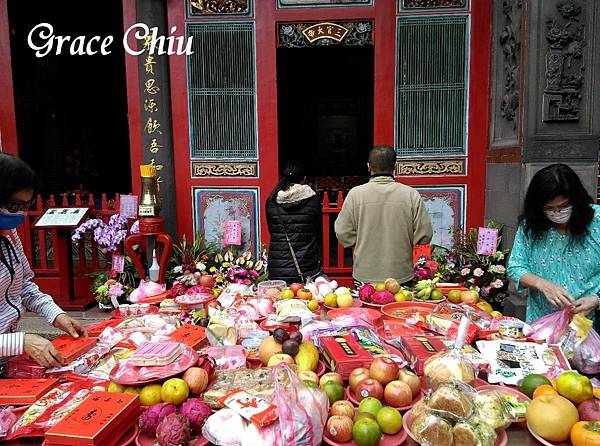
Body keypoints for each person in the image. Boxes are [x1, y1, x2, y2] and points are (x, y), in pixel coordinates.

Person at [0, 153, 87, 369]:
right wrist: (22, 342)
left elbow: (24, 286)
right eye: (13, 206)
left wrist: (56, 314)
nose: (20, 214)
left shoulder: (8, 234)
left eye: (25, 205)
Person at [507, 163, 600, 322]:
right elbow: (515, 267)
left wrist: (596, 300)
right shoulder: (531, 226)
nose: (557, 213)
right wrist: (542, 285)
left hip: (590, 322)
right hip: (543, 321)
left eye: (564, 206)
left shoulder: (596, 221)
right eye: (549, 208)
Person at [334, 145, 433, 285]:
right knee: (398, 307)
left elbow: (342, 231)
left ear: (369, 166)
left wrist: (361, 244)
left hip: (365, 273)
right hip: (401, 275)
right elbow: (424, 235)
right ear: (395, 167)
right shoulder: (410, 195)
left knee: (366, 306)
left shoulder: (355, 195)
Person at [266, 161, 321, 283]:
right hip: (306, 264)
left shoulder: (271, 201)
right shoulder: (313, 199)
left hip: (277, 266)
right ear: (304, 178)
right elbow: (317, 229)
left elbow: (272, 229)